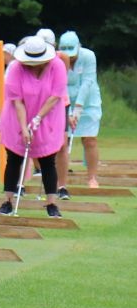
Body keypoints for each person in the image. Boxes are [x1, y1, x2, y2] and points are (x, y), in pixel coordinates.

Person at [0, 36, 66, 218]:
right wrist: (24, 127)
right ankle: (8, 201)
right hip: (17, 117)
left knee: (47, 160)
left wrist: (37, 118)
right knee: (15, 158)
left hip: (48, 116)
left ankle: (52, 204)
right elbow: (17, 101)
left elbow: (55, 96)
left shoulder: (57, 66)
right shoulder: (16, 68)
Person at [55, 30, 102, 194]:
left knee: (90, 140)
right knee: (62, 143)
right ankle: (61, 182)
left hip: (89, 103)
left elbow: (88, 83)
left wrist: (79, 108)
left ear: (79, 47)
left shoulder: (89, 56)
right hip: (63, 102)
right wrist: (68, 111)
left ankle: (92, 177)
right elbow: (60, 85)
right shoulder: (56, 59)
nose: (71, 58)